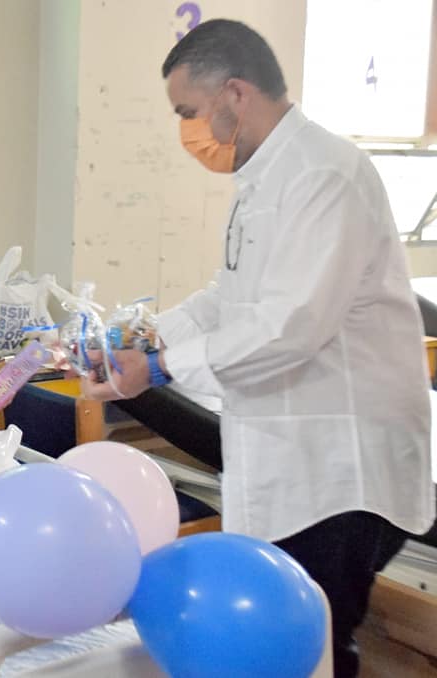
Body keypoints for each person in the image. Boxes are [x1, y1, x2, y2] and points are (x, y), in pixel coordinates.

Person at [82, 19, 435, 678]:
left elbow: (290, 324)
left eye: (188, 111)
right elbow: (231, 295)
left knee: (316, 640)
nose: (185, 130)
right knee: (281, 632)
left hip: (345, 463)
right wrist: (141, 334)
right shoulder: (262, 179)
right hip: (293, 449)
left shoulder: (326, 174)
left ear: (235, 94)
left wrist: (156, 368)